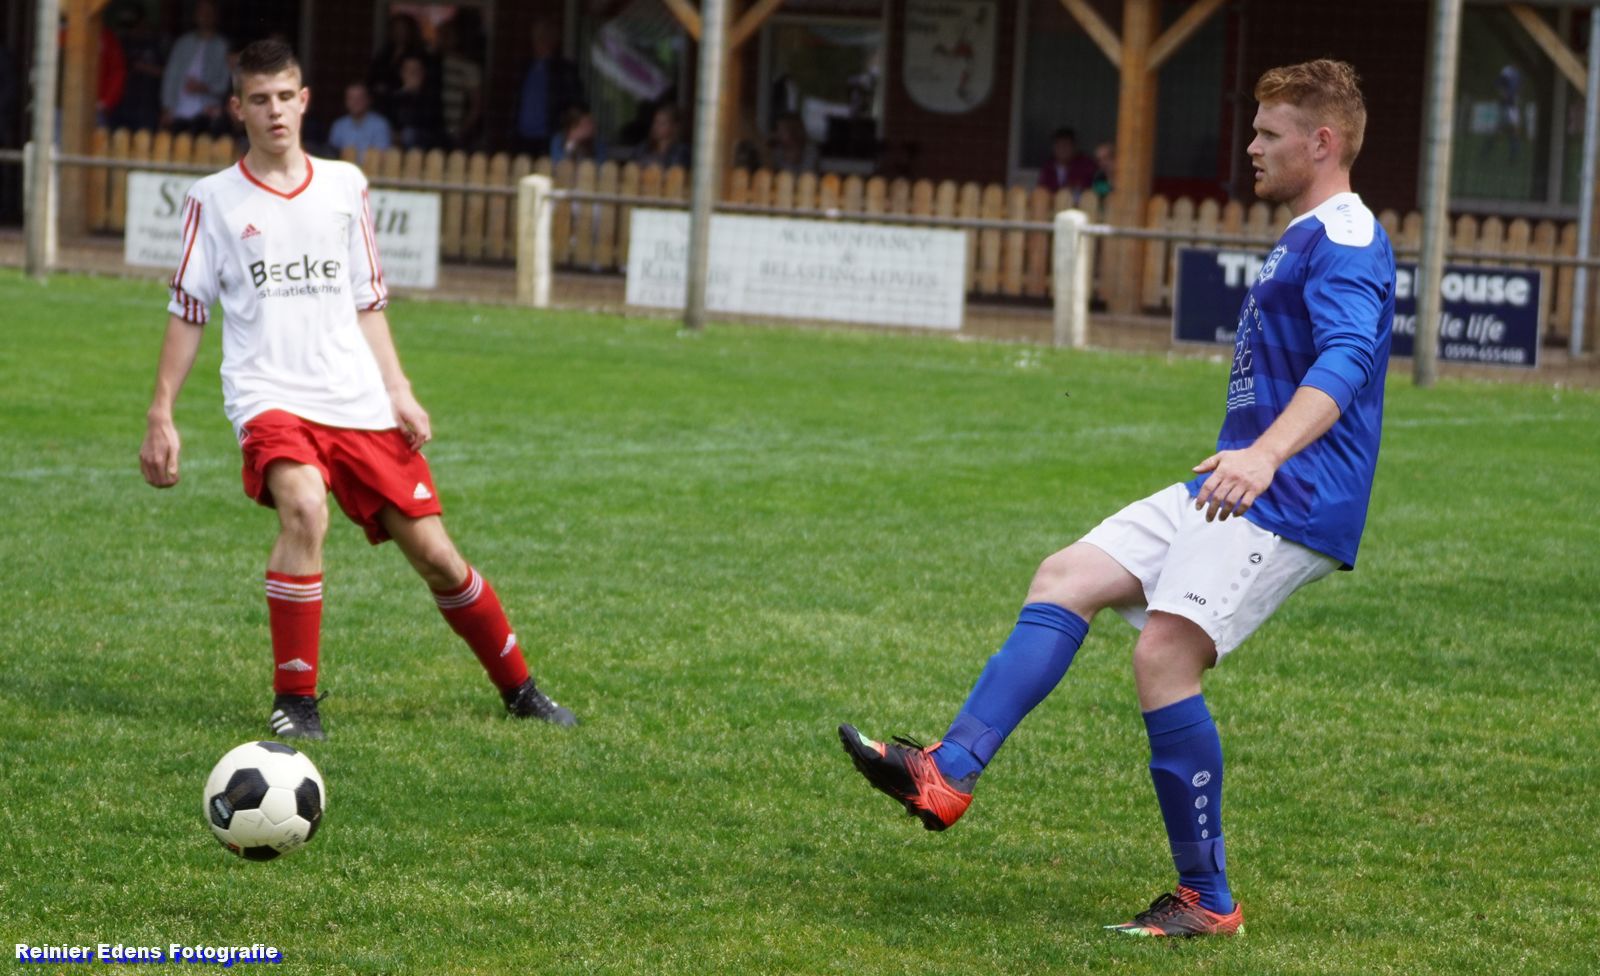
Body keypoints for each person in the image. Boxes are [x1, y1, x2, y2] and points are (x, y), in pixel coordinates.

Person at [839, 59, 1394, 939]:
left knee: (1162, 660)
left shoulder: (1349, 236)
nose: (1251, 146)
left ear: (1322, 142)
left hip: (1289, 492)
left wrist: (1266, 453)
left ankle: (1207, 898)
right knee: (1067, 576)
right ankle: (948, 771)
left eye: (1269, 133)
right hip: (1234, 478)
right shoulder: (1306, 233)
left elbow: (1349, 357)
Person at [139, 40, 577, 740]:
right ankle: (296, 702)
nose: (275, 111)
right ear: (237, 108)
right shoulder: (212, 201)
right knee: (304, 507)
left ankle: (520, 688)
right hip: (270, 396)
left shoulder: (345, 186)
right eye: (260, 99)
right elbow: (189, 310)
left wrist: (399, 390)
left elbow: (367, 301)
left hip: (356, 399)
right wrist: (161, 412)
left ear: (305, 100)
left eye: (286, 97)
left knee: (437, 557)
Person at [513, 17, 583, 157]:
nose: (540, 40)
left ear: (554, 40)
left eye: (545, 35)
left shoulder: (563, 70)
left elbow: (575, 104)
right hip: (523, 139)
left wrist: (568, 140)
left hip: (550, 138)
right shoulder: (526, 67)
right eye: (538, 36)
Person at [160, 0, 230, 137]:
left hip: (207, 113)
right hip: (178, 112)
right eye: (202, 12)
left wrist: (204, 88)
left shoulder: (223, 46)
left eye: (209, 12)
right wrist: (167, 107)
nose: (205, 16)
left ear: (216, 15)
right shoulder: (183, 43)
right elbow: (170, 77)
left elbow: (225, 84)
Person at [387, 55, 444, 151]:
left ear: (423, 74)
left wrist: (414, 95)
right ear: (402, 73)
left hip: (425, 149)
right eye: (409, 70)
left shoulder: (432, 100)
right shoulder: (391, 98)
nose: (413, 73)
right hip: (396, 150)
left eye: (417, 70)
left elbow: (434, 128)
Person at [327, 82, 391, 164]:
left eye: (360, 98)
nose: (355, 102)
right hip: (344, 170)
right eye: (351, 98)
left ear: (368, 100)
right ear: (346, 101)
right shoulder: (338, 125)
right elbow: (331, 155)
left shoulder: (380, 125)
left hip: (370, 170)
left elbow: (382, 156)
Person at [1036, 126, 1097, 201]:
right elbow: (1042, 189)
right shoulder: (1048, 167)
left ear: (1074, 146)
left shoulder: (1086, 165)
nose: (1062, 149)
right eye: (1058, 145)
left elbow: (1093, 188)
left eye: (1065, 145)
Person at [633, 103, 690, 170]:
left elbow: (675, 170)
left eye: (662, 123)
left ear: (674, 126)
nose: (656, 127)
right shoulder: (643, 148)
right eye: (655, 122)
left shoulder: (681, 151)